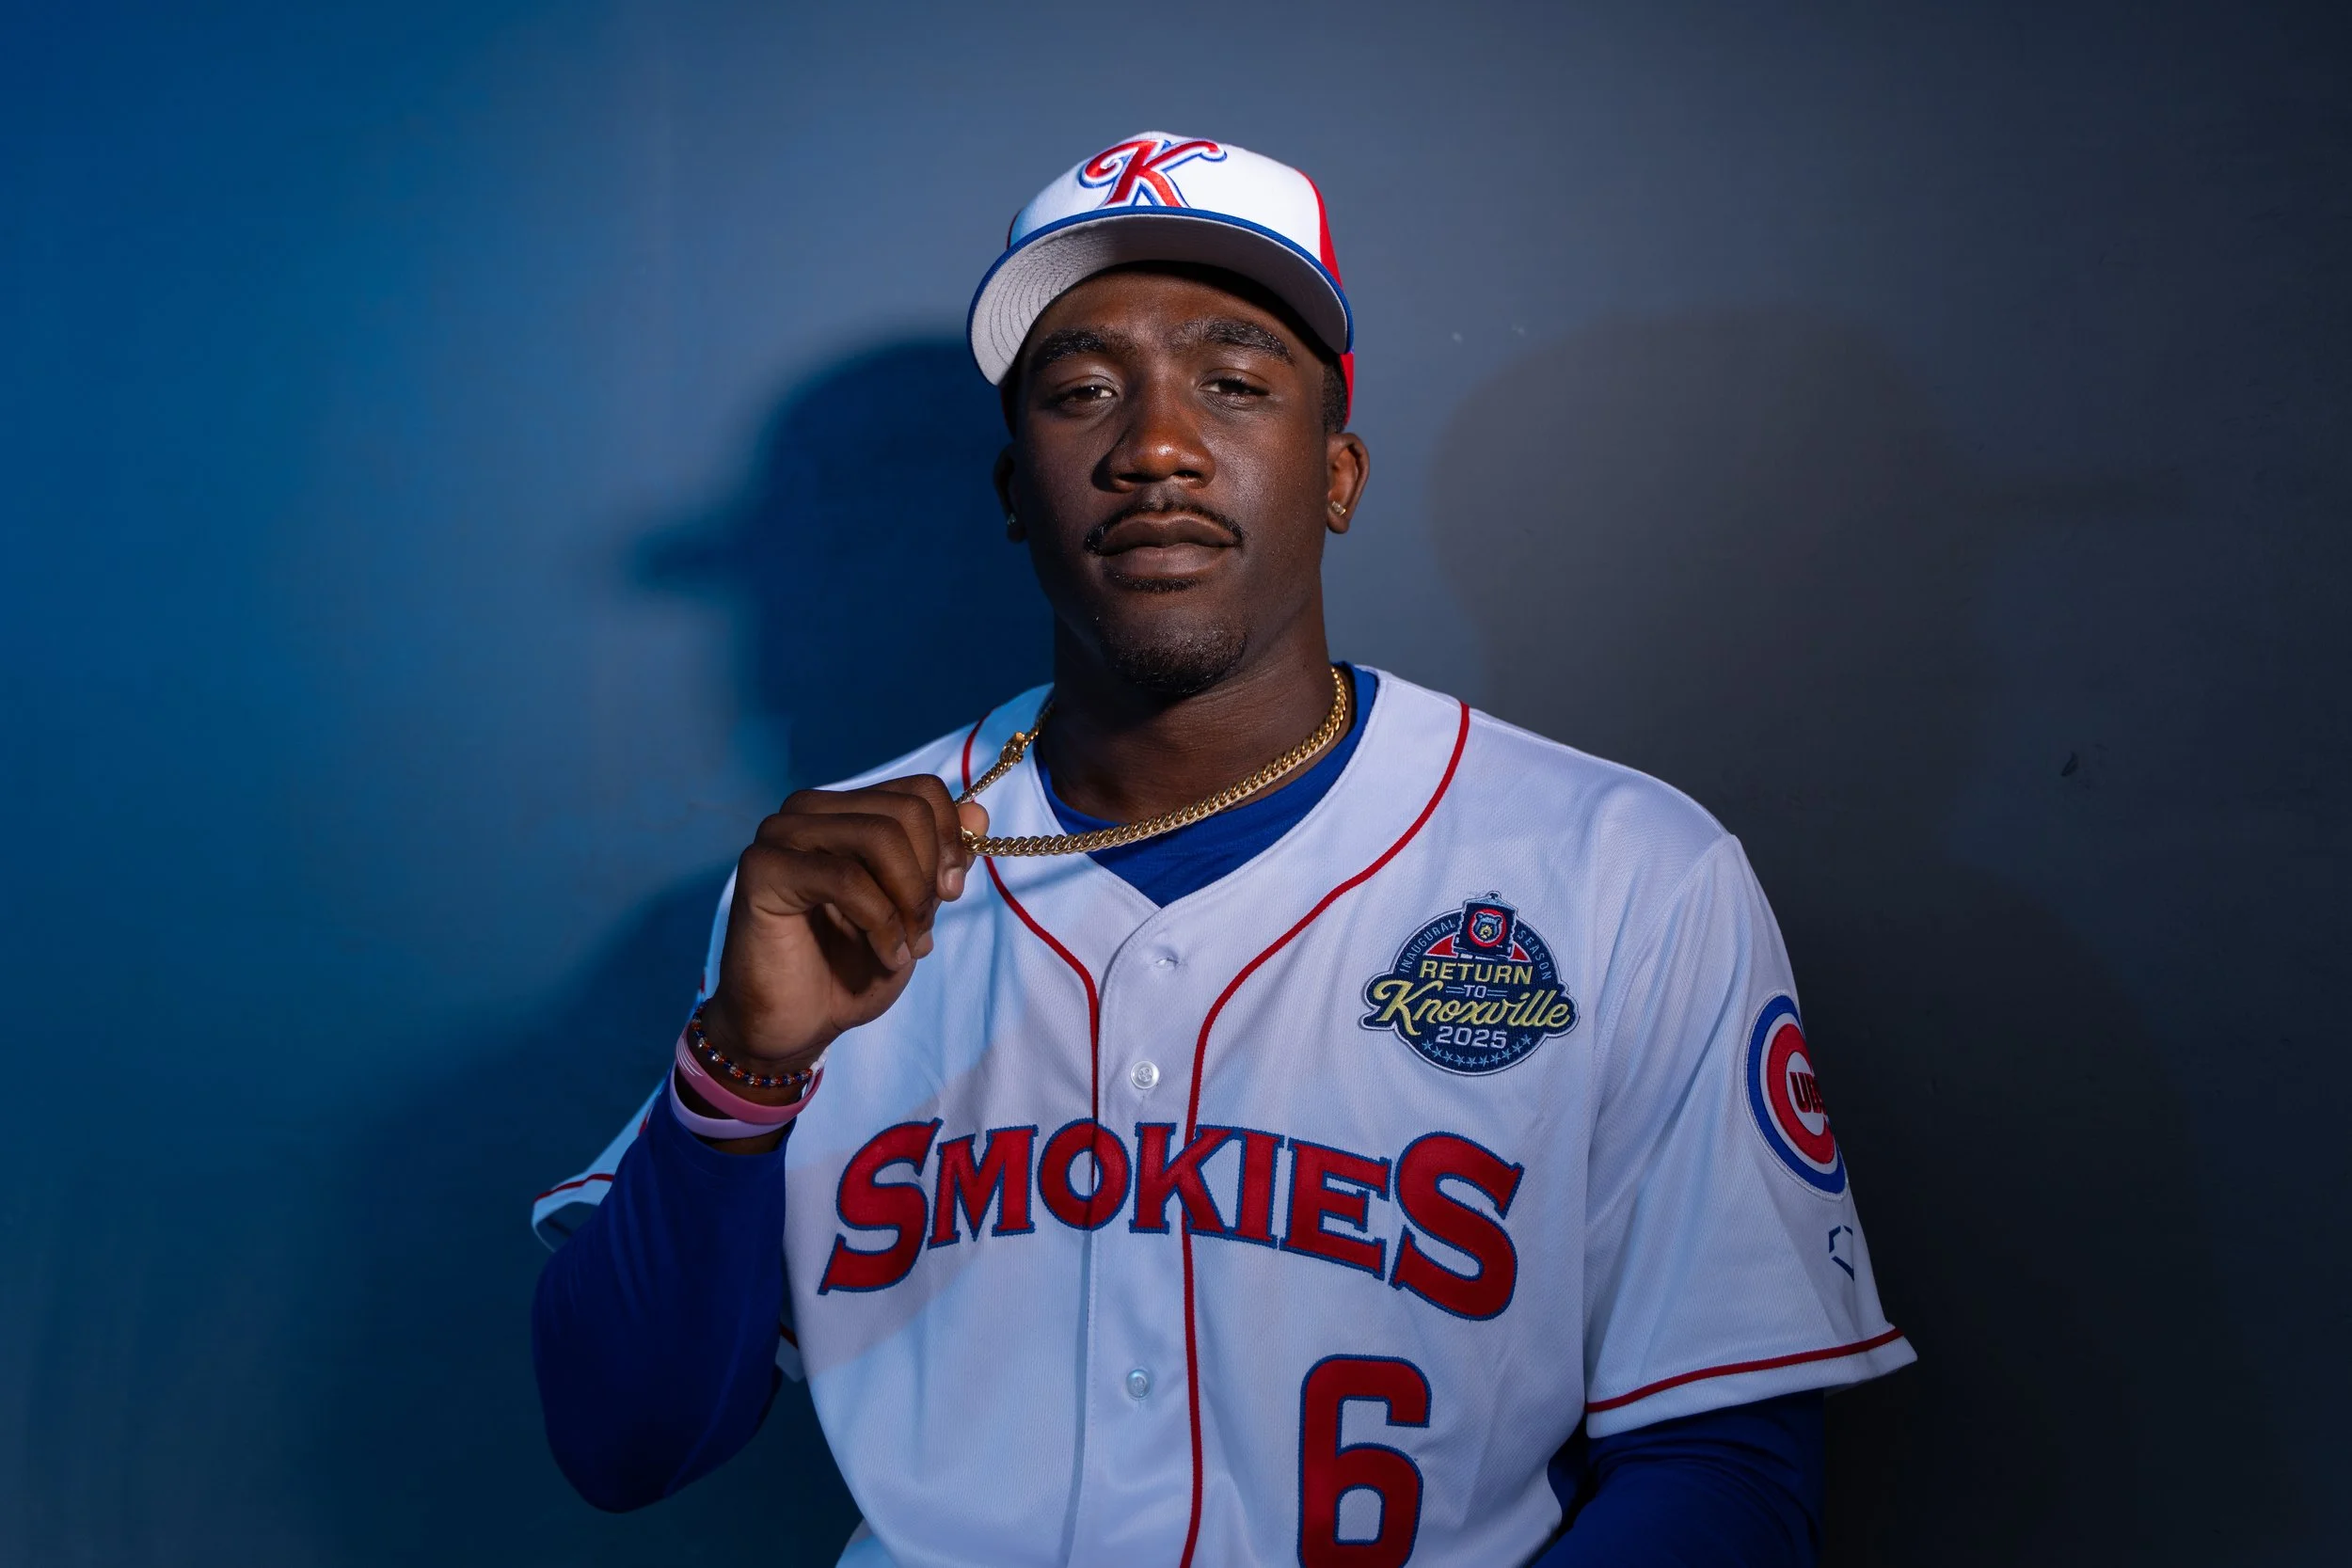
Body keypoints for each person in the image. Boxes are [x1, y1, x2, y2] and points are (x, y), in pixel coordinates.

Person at [530, 132, 1912, 1567]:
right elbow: (622, 1442)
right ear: (1015, 495)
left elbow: (1727, 1466)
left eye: (1237, 385)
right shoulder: (821, 892)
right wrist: (743, 1071)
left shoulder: (1622, 871)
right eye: (1080, 395)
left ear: (1338, 472)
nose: (1156, 448)